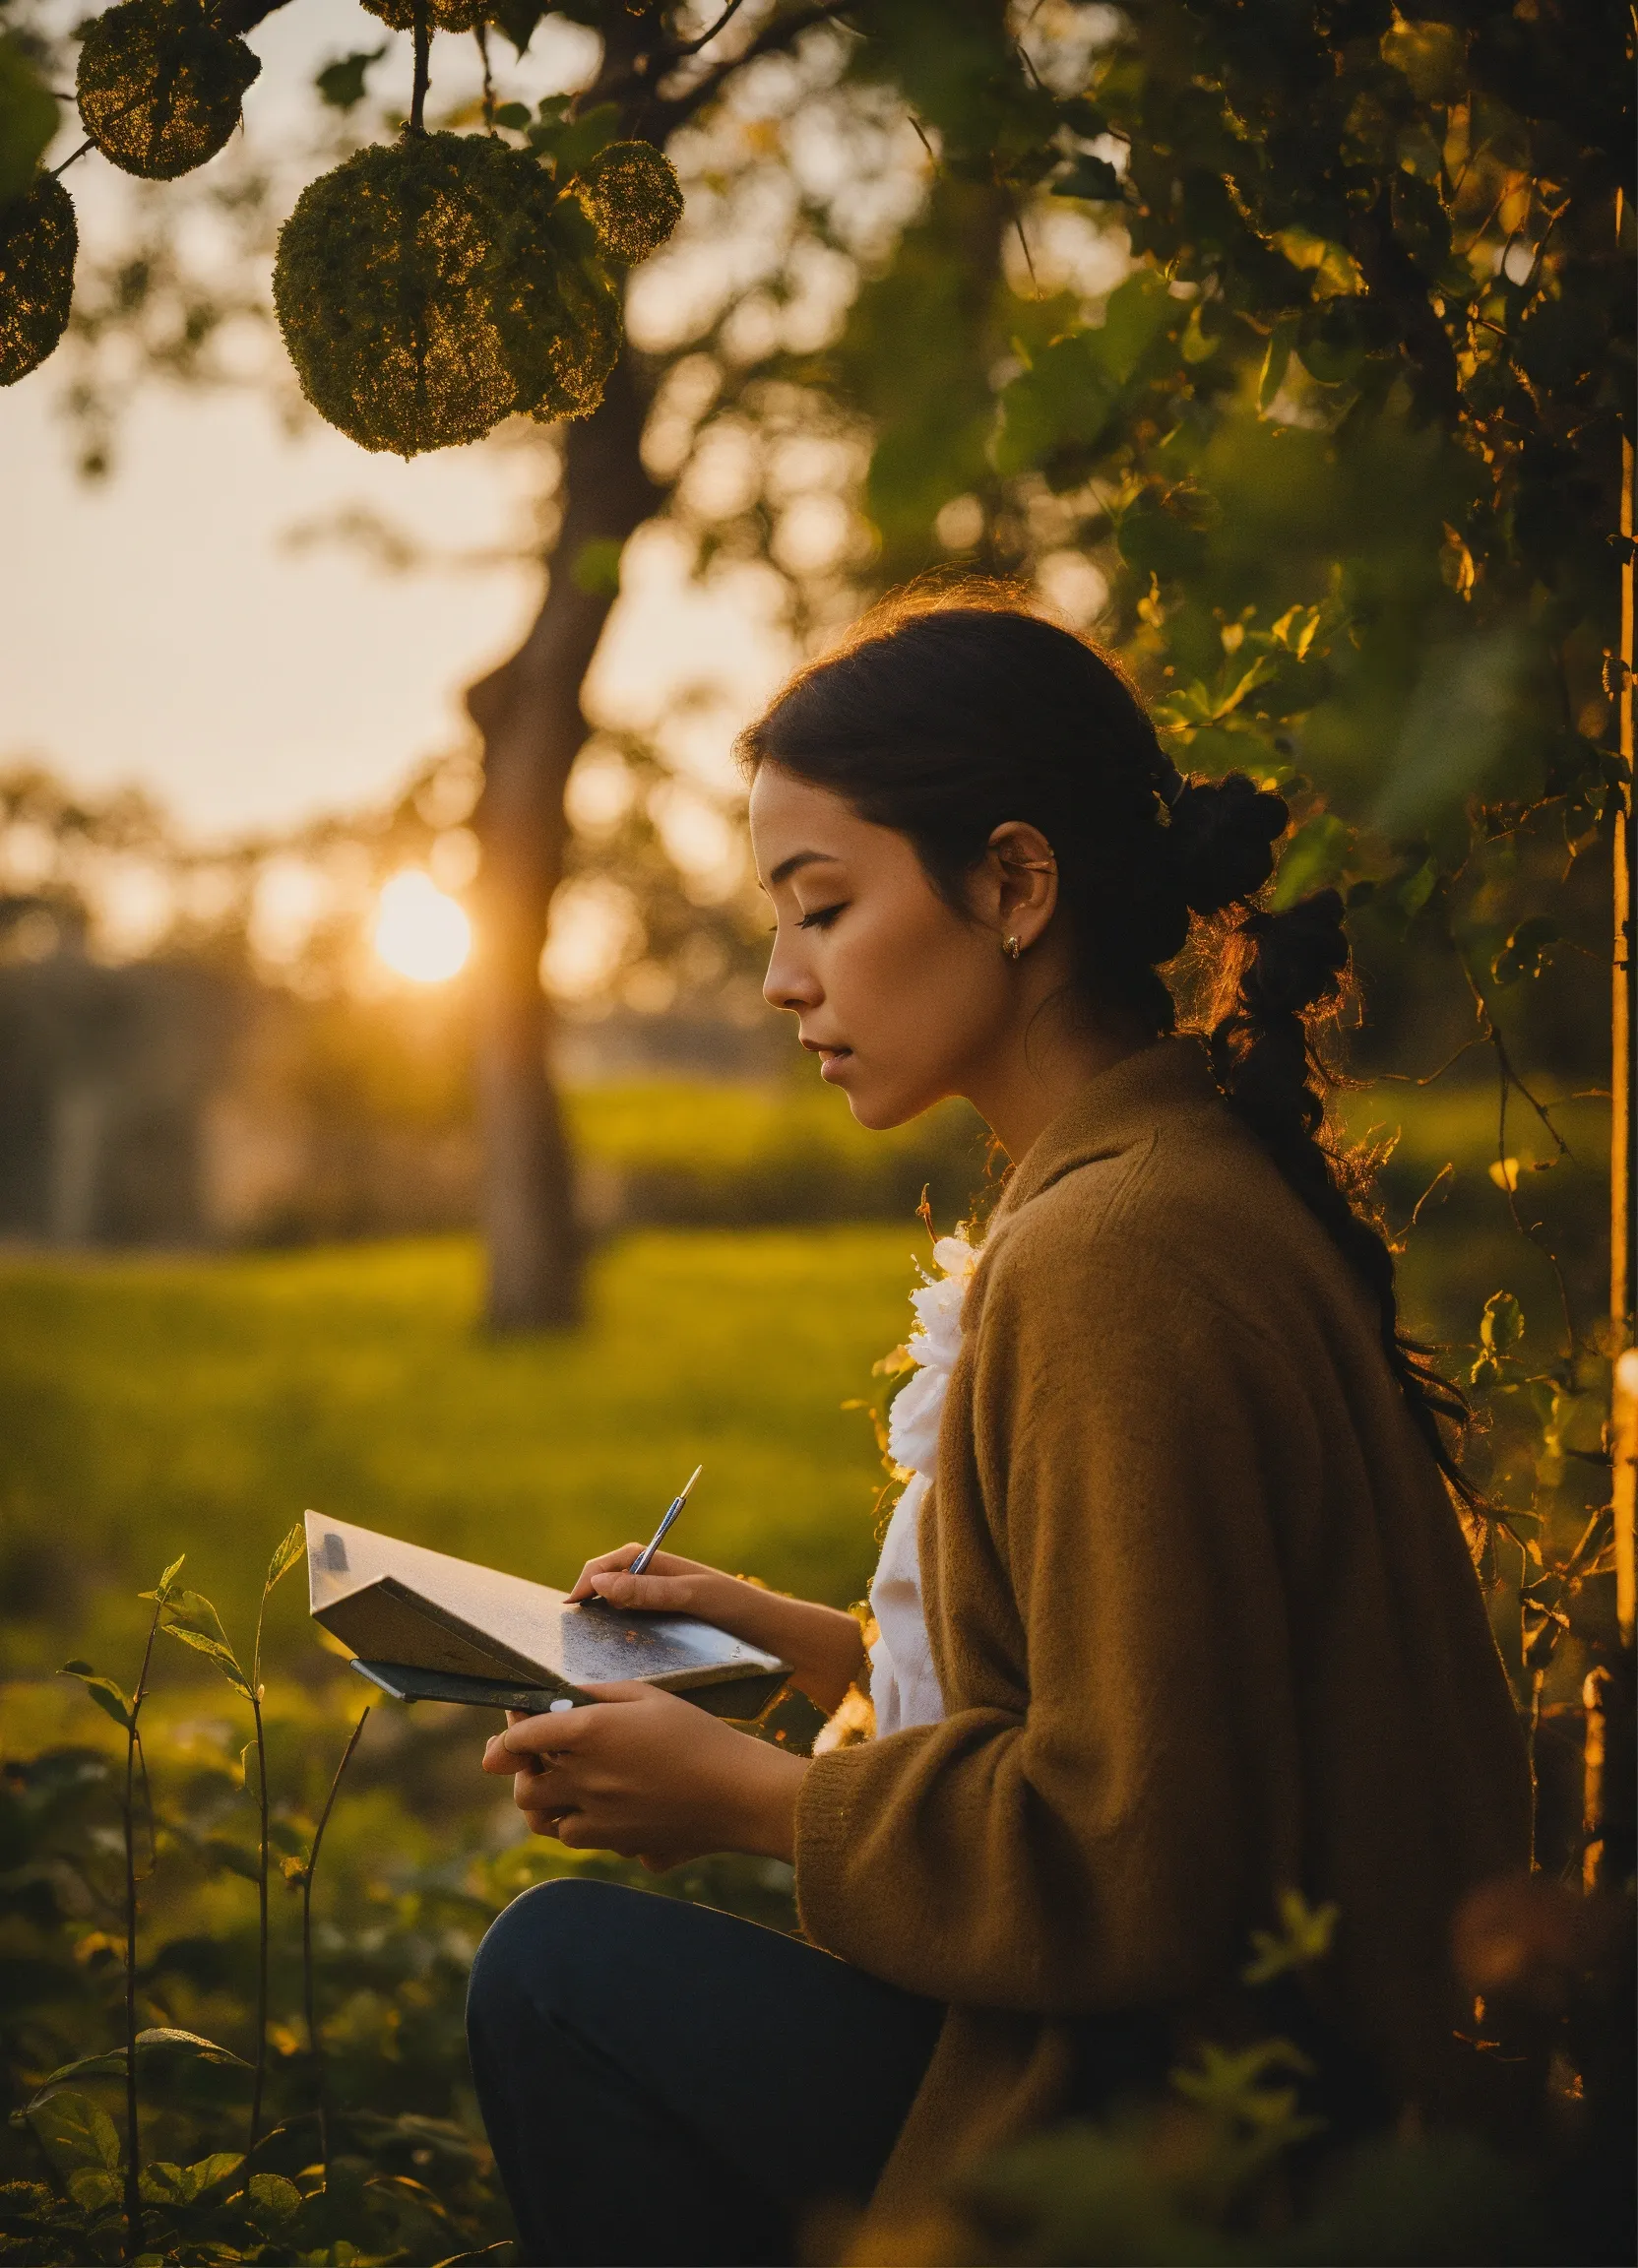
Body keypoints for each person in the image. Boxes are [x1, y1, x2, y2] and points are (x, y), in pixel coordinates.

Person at [465, 587, 1532, 2267]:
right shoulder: (1154, 1183)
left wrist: (754, 1801)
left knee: (556, 1981)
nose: (775, 976)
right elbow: (1136, 1692)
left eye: (820, 906)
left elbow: (1136, 1847)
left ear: (1017, 886)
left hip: (1203, 2142)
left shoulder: (1117, 1254)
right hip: (1231, 2078)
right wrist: (799, 1648)